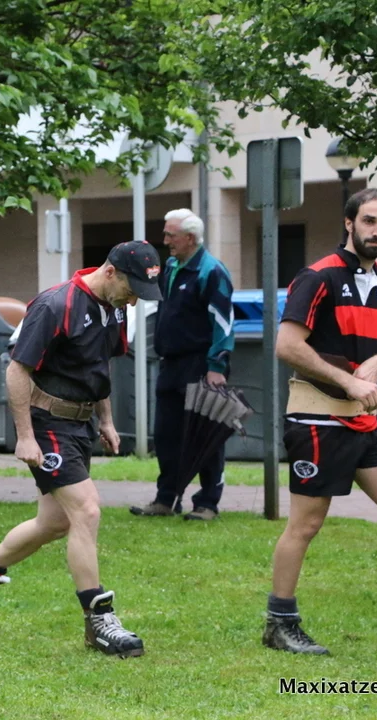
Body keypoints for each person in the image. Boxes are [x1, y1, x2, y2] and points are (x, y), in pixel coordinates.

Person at [0, 240, 162, 658]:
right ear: (110, 272)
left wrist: (106, 420)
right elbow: (17, 370)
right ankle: (99, 621)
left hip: (80, 423)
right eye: (132, 290)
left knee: (54, 522)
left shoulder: (115, 308)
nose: (134, 301)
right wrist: (25, 435)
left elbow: (99, 365)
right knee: (87, 510)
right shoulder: (55, 305)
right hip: (47, 422)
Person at [263, 188, 377, 658]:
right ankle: (279, 623)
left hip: (367, 421)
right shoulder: (318, 277)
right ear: (349, 223)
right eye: (369, 221)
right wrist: (348, 381)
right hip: (317, 418)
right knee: (306, 524)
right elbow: (287, 346)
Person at [130, 209, 235, 521]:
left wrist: (217, 366)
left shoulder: (211, 271)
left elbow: (224, 323)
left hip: (202, 365)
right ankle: (166, 499)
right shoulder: (172, 267)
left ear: (190, 238)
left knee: (205, 436)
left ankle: (207, 503)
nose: (165, 241)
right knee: (167, 435)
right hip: (170, 365)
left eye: (170, 235)